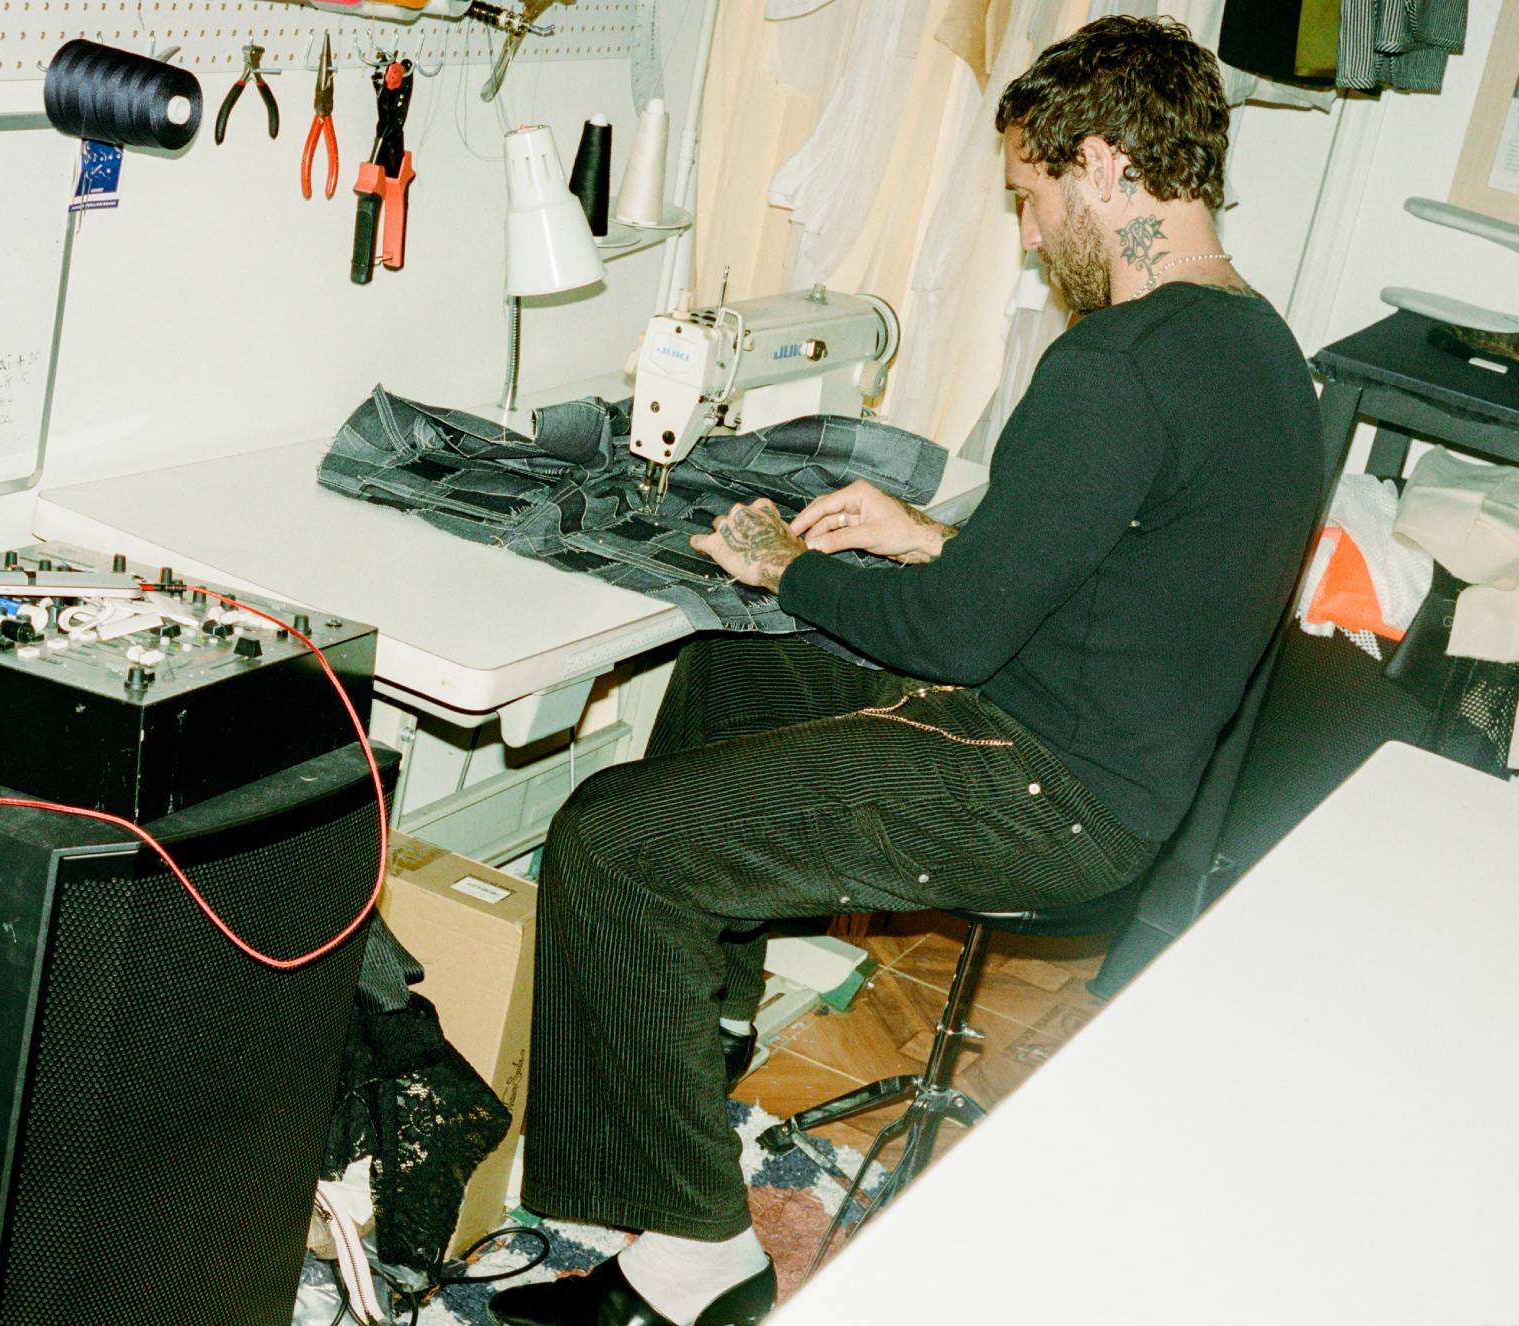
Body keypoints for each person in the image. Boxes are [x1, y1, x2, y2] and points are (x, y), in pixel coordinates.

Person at [488, 16, 1326, 1326]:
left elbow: (948, 637)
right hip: (1100, 757)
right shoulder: (1260, 351)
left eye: (1032, 194)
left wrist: (784, 565)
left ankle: (696, 1252)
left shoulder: (1112, 363)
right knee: (728, 675)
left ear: (1103, 167)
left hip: (1034, 781)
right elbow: (1134, 568)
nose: (1031, 229)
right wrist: (931, 536)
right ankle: (667, 1102)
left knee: (612, 837)